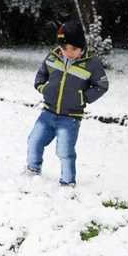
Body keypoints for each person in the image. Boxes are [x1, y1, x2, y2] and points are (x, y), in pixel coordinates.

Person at [25, 20, 110, 187]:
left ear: (81, 47)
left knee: (64, 151)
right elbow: (41, 74)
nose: (68, 53)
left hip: (70, 118)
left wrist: (83, 98)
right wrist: (43, 88)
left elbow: (102, 85)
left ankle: (67, 181)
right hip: (48, 112)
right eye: (65, 49)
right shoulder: (53, 56)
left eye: (73, 49)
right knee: (34, 140)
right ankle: (32, 169)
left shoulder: (91, 64)